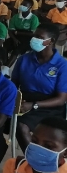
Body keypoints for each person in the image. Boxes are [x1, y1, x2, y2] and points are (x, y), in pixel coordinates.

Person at [11, 24, 67, 152]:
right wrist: (15, 100)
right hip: (24, 101)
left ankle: (34, 160)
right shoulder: (24, 59)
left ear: (51, 41)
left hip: (49, 106)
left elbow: (61, 99)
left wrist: (34, 105)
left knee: (21, 126)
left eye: (39, 37)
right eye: (34, 36)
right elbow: (14, 84)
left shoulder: (62, 65)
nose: (34, 39)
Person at [5, 0, 39, 72]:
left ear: (30, 7)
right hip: (15, 37)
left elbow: (33, 33)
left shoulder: (34, 18)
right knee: (5, 46)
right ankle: (3, 65)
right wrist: (14, 39)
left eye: (24, 5)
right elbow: (10, 31)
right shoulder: (15, 17)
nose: (22, 6)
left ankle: (5, 69)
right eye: (22, 4)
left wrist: (18, 32)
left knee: (17, 50)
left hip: (28, 39)